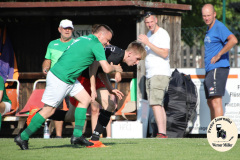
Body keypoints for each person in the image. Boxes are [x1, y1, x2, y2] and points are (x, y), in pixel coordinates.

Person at [14, 24, 123, 150]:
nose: (108, 43)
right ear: (100, 35)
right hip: (60, 78)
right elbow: (106, 68)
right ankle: (23, 136)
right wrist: (115, 67)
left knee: (85, 100)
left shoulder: (83, 39)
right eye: (107, 40)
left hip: (69, 78)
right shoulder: (96, 44)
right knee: (49, 110)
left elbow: (91, 65)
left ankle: (77, 136)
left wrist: (93, 88)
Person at [86, 41, 146, 147]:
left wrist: (110, 89)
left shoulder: (118, 54)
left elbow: (101, 71)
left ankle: (94, 140)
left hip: (91, 78)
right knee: (68, 115)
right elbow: (94, 64)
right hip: (83, 77)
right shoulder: (116, 56)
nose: (137, 63)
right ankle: (81, 137)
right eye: (137, 59)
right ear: (130, 54)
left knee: (110, 105)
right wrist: (92, 87)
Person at [137, 11, 171, 138]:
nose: (150, 24)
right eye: (147, 23)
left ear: (156, 20)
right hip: (151, 74)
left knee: (155, 103)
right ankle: (162, 133)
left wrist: (148, 43)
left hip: (159, 73)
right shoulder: (149, 34)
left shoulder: (162, 33)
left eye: (151, 21)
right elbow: (149, 54)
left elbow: (164, 54)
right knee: (157, 103)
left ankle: (161, 133)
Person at [201, 4, 238, 120]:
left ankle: (219, 133)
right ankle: (214, 131)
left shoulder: (219, 27)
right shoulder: (209, 28)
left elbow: (233, 40)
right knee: (210, 102)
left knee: (216, 101)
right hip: (210, 69)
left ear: (214, 14)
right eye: (204, 16)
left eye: (208, 15)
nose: (206, 18)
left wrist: (219, 54)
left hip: (218, 68)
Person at [42, 19, 75, 138]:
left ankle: (77, 134)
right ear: (59, 29)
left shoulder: (76, 44)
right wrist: (46, 67)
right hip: (55, 80)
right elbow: (47, 60)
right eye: (65, 28)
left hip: (72, 80)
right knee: (56, 108)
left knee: (74, 107)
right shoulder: (52, 44)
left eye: (69, 28)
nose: (67, 30)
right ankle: (58, 136)